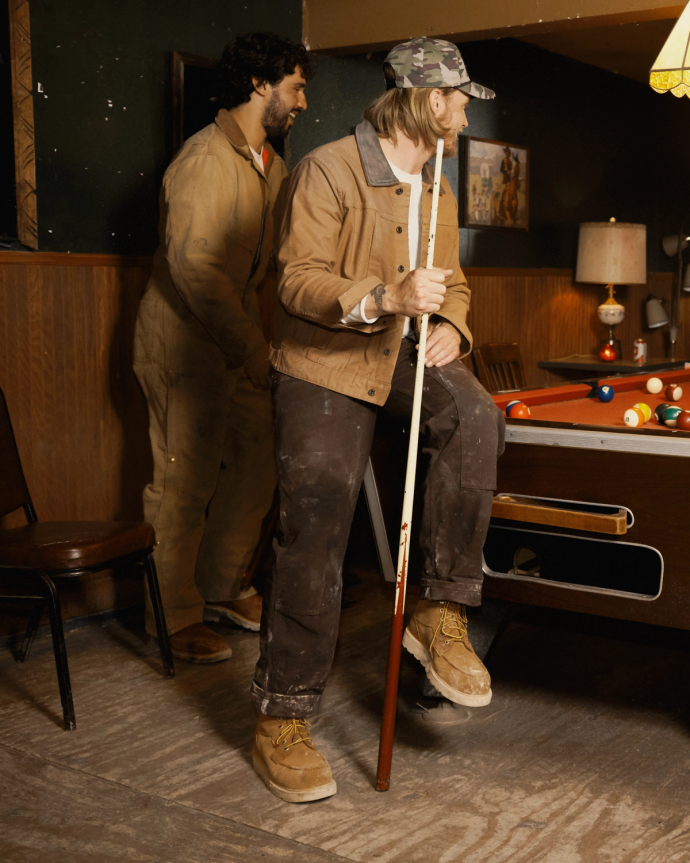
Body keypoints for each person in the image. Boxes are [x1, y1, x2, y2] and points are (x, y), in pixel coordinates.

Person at [250, 38, 505, 803]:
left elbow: (452, 284)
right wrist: (388, 300)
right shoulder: (327, 169)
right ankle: (281, 718)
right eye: (460, 100)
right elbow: (297, 281)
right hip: (320, 361)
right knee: (320, 508)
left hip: (397, 356)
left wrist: (454, 324)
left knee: (476, 414)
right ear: (431, 102)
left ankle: (439, 611)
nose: (465, 113)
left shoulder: (440, 186)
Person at [133, 33, 312, 663]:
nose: (303, 103)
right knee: (183, 481)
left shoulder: (273, 164)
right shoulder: (203, 160)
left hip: (237, 341)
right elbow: (197, 273)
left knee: (258, 460)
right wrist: (255, 350)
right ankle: (171, 614)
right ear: (260, 84)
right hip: (182, 344)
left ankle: (218, 586)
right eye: (296, 86)